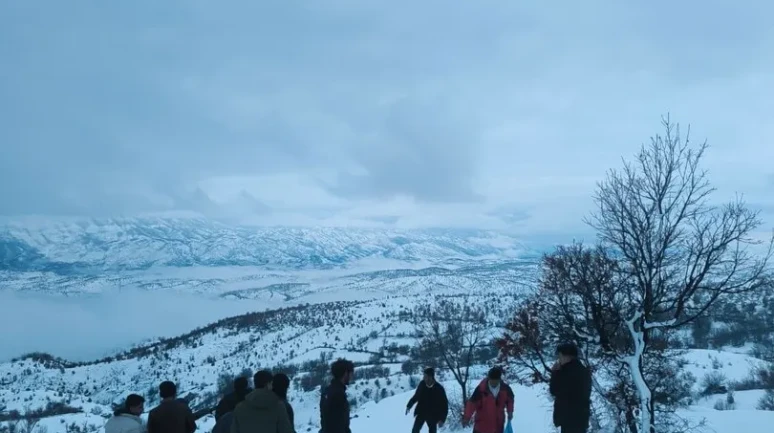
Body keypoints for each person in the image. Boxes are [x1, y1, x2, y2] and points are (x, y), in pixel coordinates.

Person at [549, 343, 592, 433]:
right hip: (580, 417)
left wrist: (555, 373)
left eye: (560, 356)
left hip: (569, 418)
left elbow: (554, 390)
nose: (559, 359)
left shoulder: (566, 372)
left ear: (567, 356)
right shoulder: (583, 370)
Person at [462, 367, 514, 433]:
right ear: (489, 378)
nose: (494, 383)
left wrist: (510, 411)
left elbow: (510, 400)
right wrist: (466, 417)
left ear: (499, 379)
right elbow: (472, 403)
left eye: (496, 381)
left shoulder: (505, 389)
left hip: (498, 426)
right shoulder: (481, 390)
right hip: (481, 427)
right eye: (492, 380)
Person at [405, 368, 448, 433]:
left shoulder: (439, 388)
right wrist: (409, 405)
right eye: (424, 376)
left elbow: (444, 405)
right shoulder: (422, 384)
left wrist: (442, 419)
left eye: (425, 376)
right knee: (415, 430)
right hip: (421, 412)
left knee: (432, 431)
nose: (424, 378)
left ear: (431, 377)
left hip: (433, 414)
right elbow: (416, 396)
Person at [320, 358, 355, 433]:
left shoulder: (326, 391)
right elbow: (339, 424)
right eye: (351, 373)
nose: (351, 377)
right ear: (346, 373)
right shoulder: (339, 395)